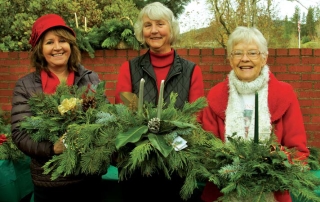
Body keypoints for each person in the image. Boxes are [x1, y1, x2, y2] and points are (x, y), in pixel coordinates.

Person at [200, 26, 309, 202]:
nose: (245, 59)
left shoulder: (284, 94)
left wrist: (274, 156)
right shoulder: (215, 96)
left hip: (271, 193)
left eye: (252, 53)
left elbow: (298, 152)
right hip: (223, 193)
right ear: (230, 59)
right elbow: (205, 150)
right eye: (237, 53)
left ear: (264, 58)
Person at [10, 14, 108, 202]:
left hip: (88, 178)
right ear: (40, 49)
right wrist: (52, 148)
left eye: (62, 40)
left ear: (70, 45)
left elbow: (105, 117)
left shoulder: (90, 78)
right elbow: (20, 134)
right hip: (50, 182)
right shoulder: (26, 85)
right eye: (49, 42)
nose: (57, 47)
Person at [114, 2, 204, 202]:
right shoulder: (129, 69)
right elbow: (125, 114)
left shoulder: (191, 71)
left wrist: (170, 143)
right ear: (141, 31)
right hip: (138, 165)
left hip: (176, 165)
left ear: (171, 29)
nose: (154, 30)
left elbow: (195, 118)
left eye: (160, 24)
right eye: (147, 25)